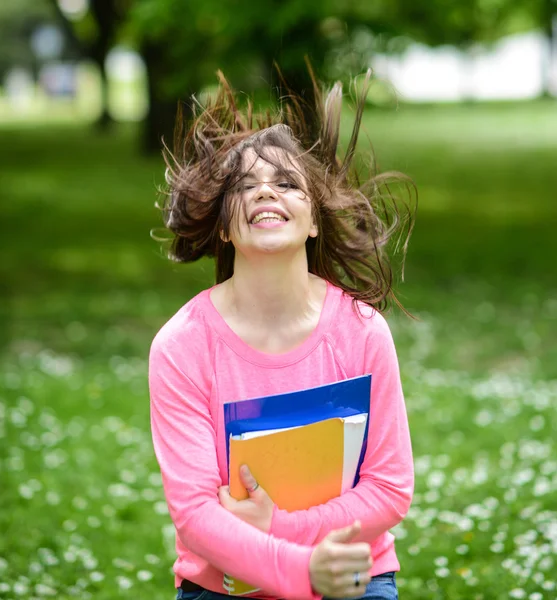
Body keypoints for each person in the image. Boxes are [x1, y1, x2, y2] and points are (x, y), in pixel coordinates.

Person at [148, 67, 415, 600]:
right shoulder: (180, 346)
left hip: (350, 571)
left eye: (287, 182)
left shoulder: (363, 332)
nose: (265, 191)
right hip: (220, 583)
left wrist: (287, 538)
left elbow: (389, 489)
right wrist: (296, 569)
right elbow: (195, 514)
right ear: (223, 226)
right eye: (244, 186)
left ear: (313, 219)